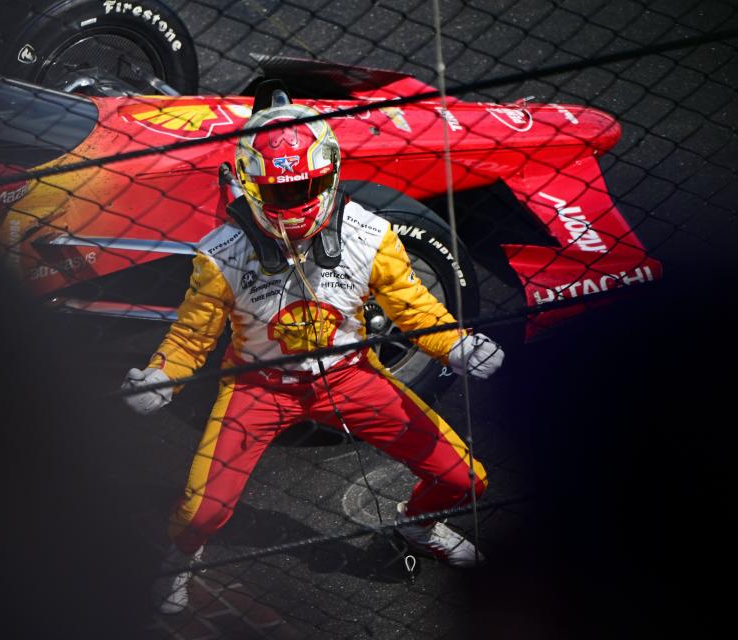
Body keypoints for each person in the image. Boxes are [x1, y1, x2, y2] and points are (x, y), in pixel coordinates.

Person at [121, 89, 504, 614]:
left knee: (466, 478)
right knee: (201, 513)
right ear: (251, 187)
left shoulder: (371, 235)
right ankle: (181, 557)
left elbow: (415, 310)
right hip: (257, 388)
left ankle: (417, 525)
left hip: (351, 378)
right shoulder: (220, 256)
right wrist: (160, 377)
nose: (295, 201)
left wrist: (456, 344)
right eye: (280, 192)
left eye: (306, 186)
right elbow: (191, 337)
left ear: (331, 175)